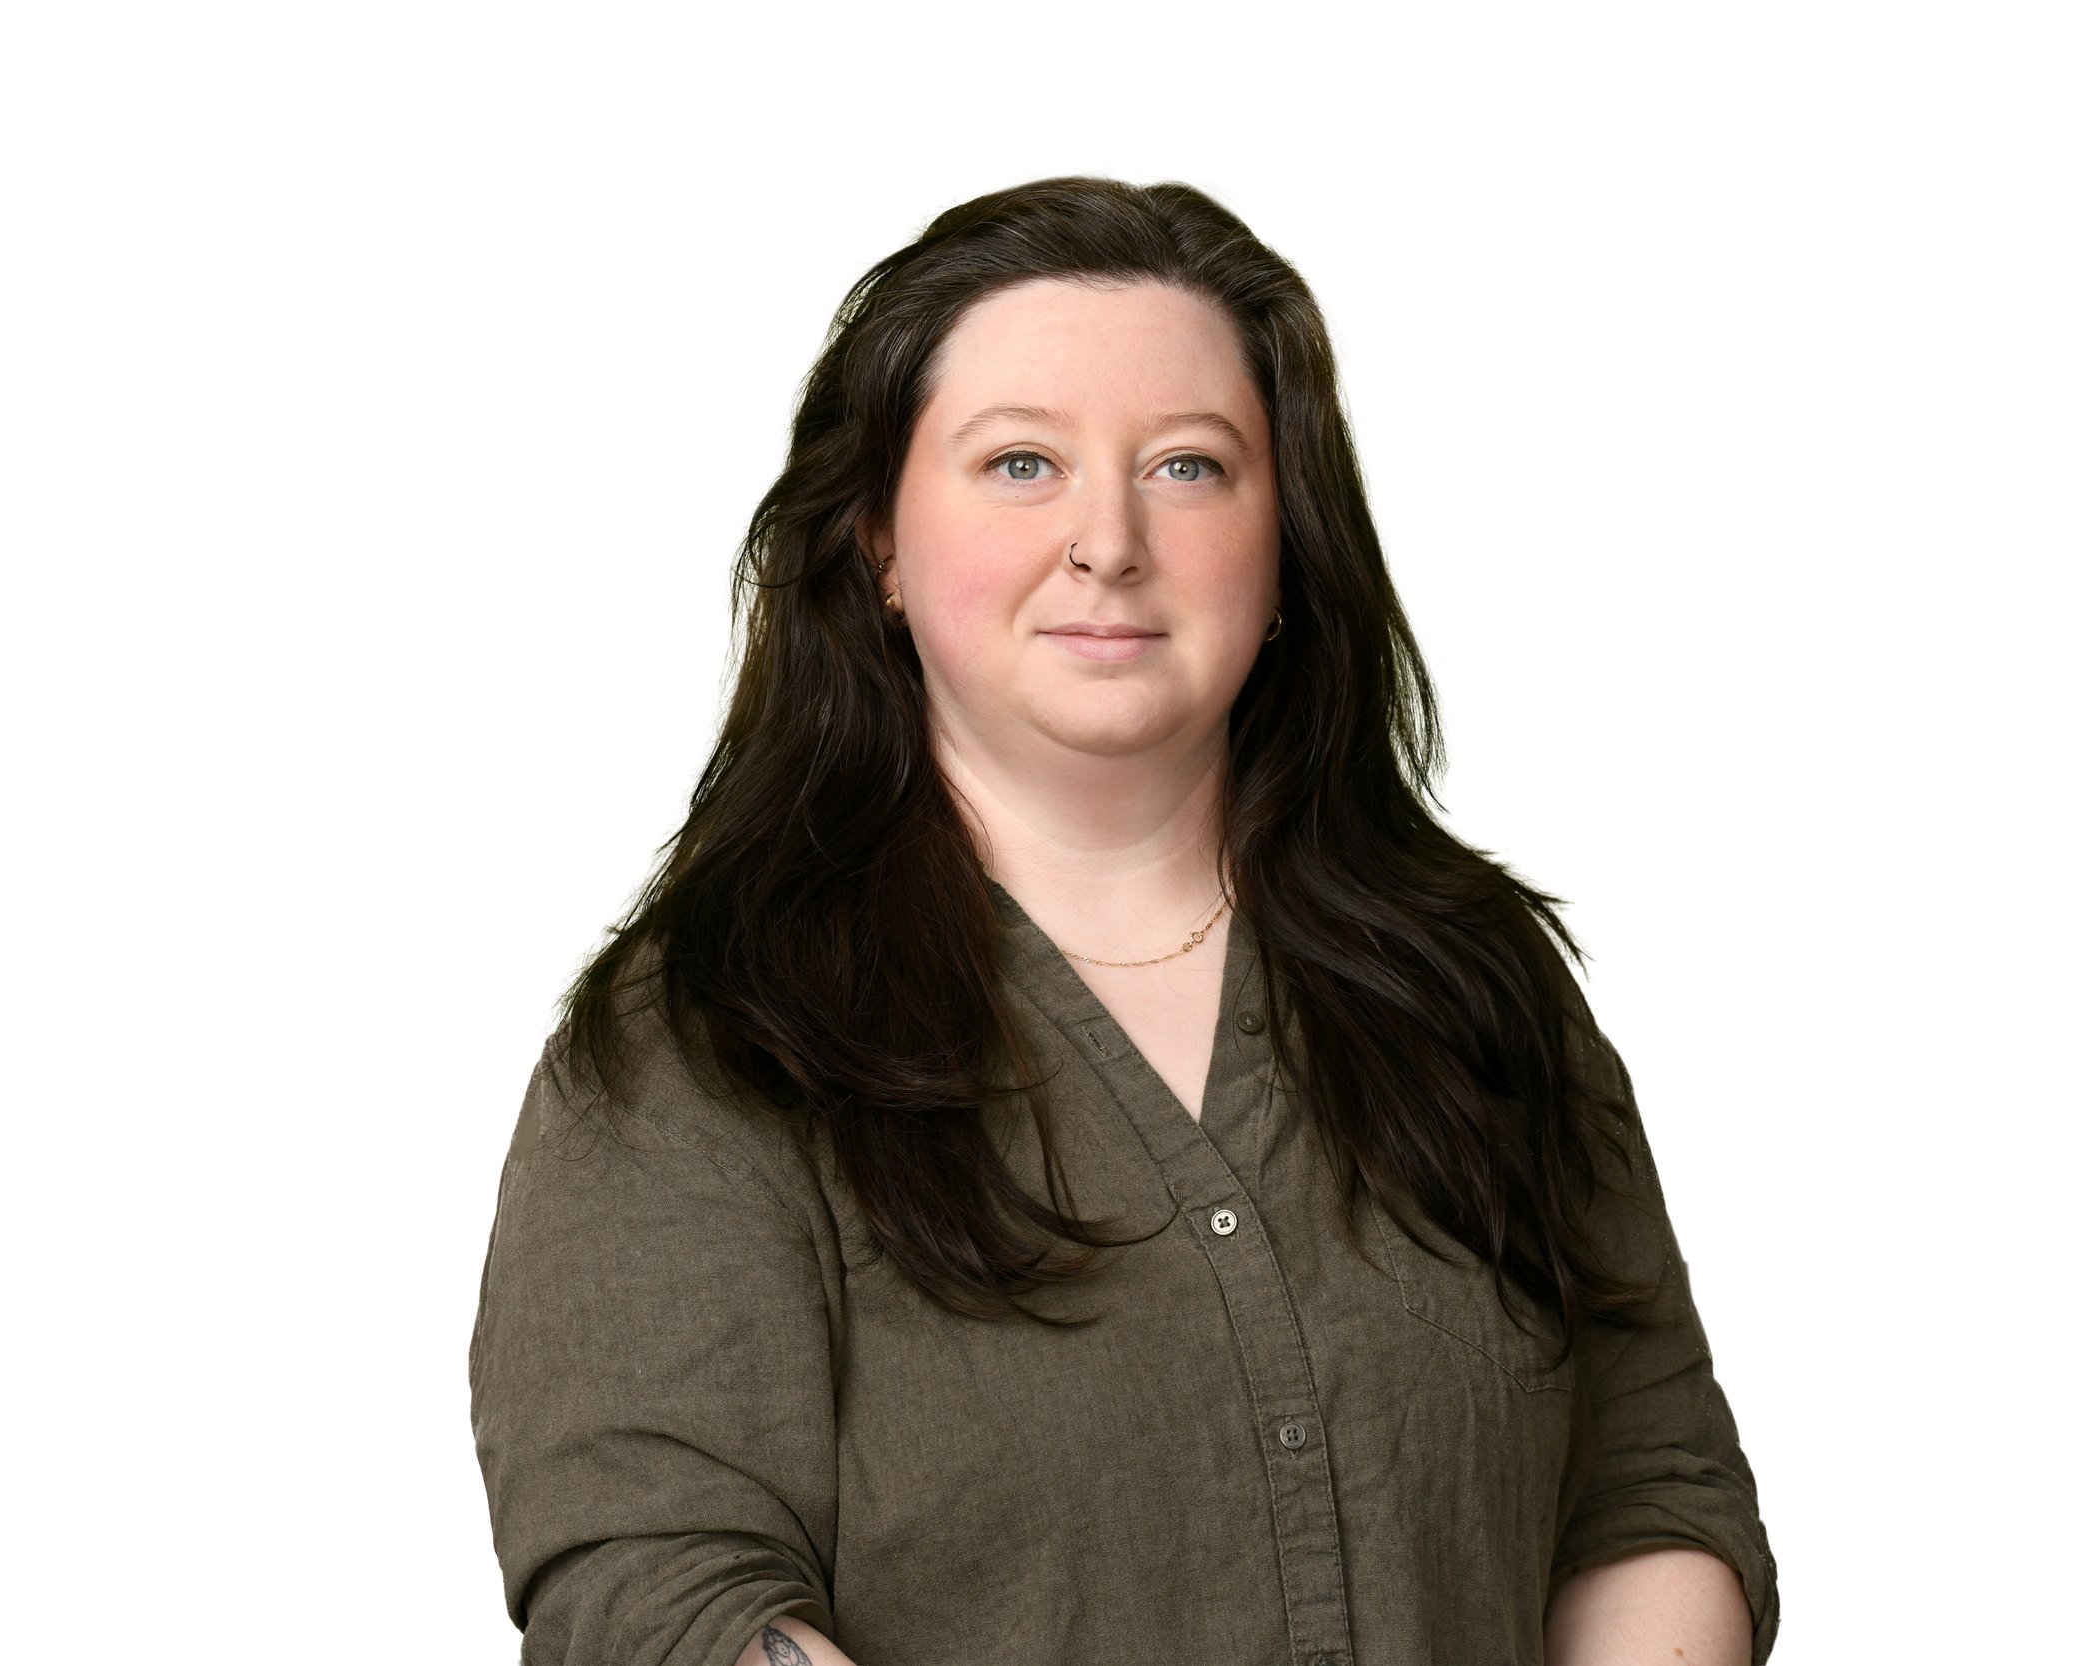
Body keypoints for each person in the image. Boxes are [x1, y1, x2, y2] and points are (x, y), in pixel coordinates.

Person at [468, 175, 1779, 1666]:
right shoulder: (703, 1048)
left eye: (1189, 467)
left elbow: (1644, 1485)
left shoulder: (1478, 991)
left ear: (1288, 544)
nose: (1108, 541)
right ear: (878, 545)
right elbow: (664, 1593)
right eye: (1021, 463)